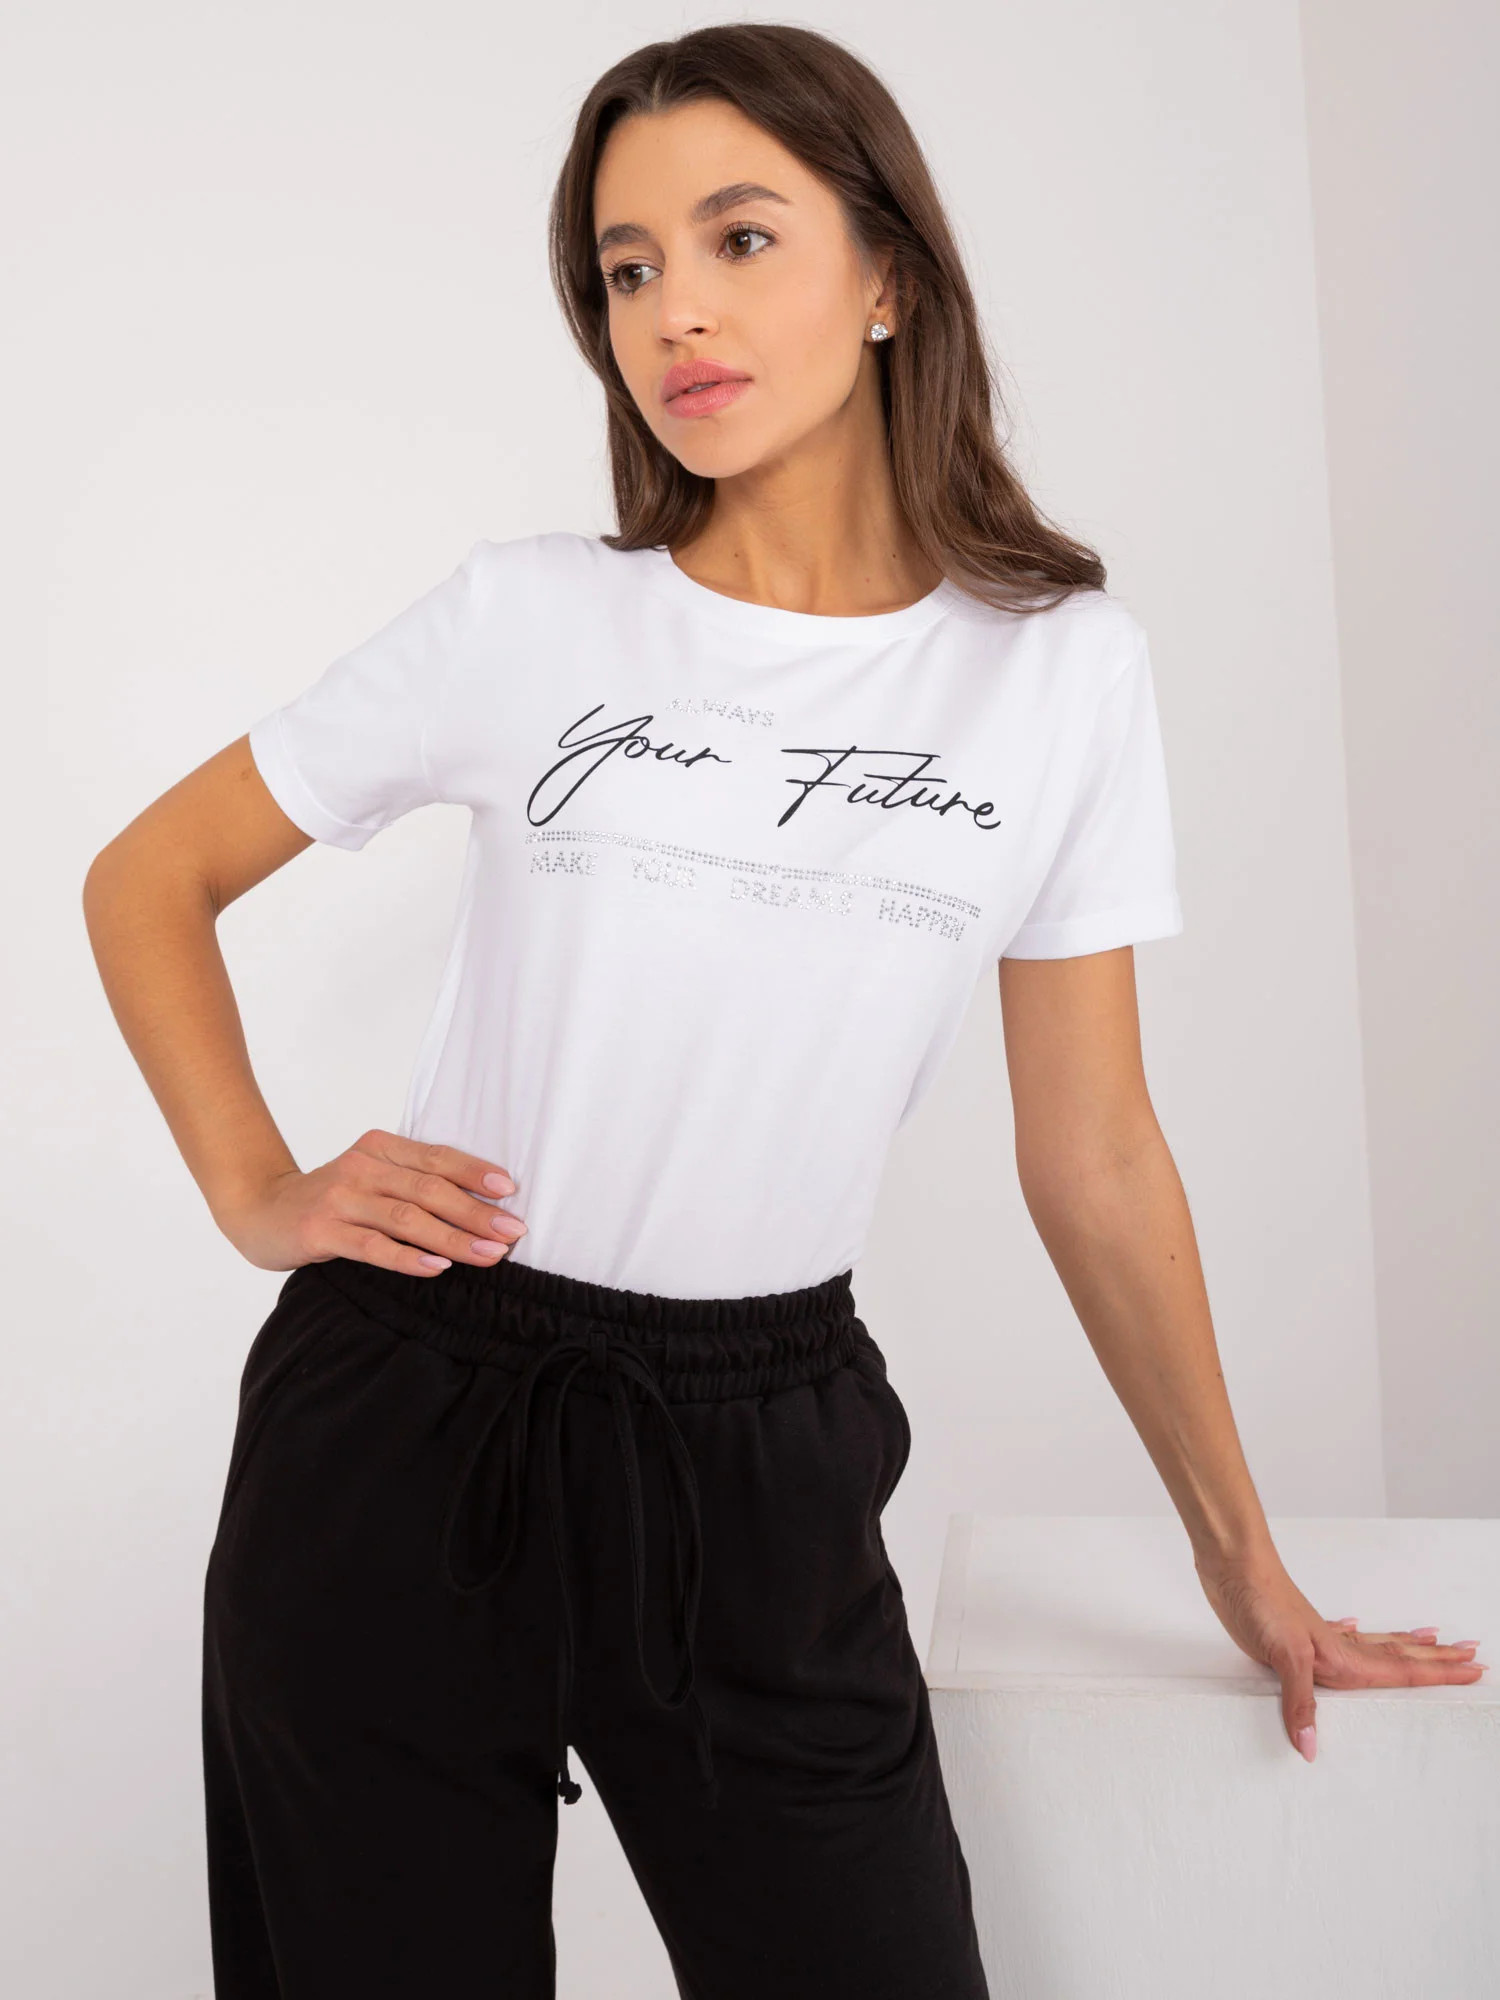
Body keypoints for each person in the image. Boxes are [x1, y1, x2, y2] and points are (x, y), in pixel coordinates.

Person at [82, 21, 1486, 2000]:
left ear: (888, 274)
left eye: (740, 239)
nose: (676, 311)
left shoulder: (1056, 674)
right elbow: (147, 875)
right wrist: (258, 1187)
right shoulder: (532, 617)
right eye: (627, 267)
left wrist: (1239, 1554)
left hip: (765, 1455)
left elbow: (1094, 1152)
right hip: (408, 1425)